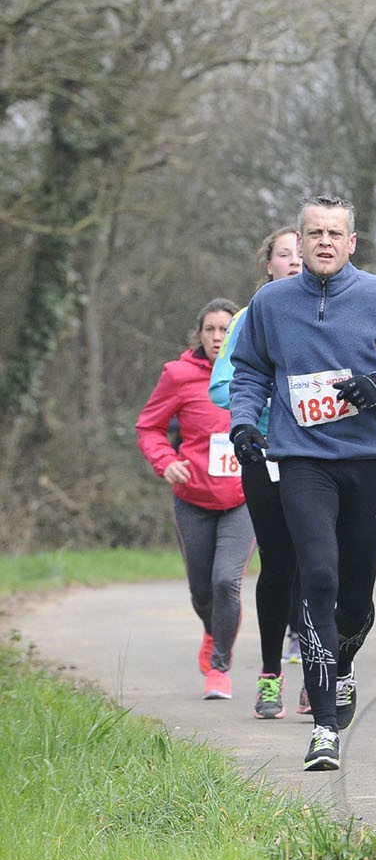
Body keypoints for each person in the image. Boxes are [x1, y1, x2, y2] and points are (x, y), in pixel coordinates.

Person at [226, 194, 376, 772]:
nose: (323, 242)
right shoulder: (271, 303)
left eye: (334, 233)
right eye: (314, 232)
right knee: (317, 576)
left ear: (352, 242)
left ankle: (342, 664)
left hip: (368, 460)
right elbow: (250, 371)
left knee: (356, 597)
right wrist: (243, 423)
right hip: (303, 460)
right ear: (300, 240)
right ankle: (322, 728)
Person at [211, 226, 308, 720]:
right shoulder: (249, 317)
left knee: (321, 565)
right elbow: (221, 387)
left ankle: (320, 674)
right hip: (265, 453)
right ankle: (271, 674)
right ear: (268, 265)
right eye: (284, 254)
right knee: (278, 564)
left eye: (300, 253)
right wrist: (271, 403)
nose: (295, 261)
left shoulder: (328, 311)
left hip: (320, 453)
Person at [136, 297, 254, 701]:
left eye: (225, 329)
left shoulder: (253, 369)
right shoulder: (178, 375)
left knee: (226, 582)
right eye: (210, 329)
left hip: (243, 497)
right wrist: (166, 462)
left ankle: (220, 668)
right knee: (202, 592)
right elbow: (149, 427)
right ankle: (212, 630)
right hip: (192, 497)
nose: (218, 337)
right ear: (199, 334)